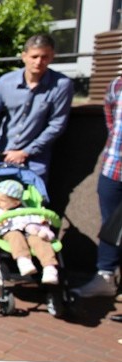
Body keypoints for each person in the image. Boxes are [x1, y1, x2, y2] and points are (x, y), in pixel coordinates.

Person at [0, 34, 74, 183]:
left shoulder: (61, 85)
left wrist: (26, 152)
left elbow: (56, 125)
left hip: (35, 162)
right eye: (34, 57)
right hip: (2, 156)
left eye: (44, 57)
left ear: (52, 56)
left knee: (31, 205)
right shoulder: (6, 82)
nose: (39, 62)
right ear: (24, 56)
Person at [72, 76, 122, 298]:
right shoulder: (116, 84)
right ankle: (105, 278)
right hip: (113, 168)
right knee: (110, 227)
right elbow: (110, 121)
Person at [0, 179, 59, 284]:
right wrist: (0, 223)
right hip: (10, 231)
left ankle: (49, 268)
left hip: (30, 232)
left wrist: (42, 221)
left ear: (16, 202)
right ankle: (24, 261)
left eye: (2, 200)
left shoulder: (27, 209)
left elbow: (36, 220)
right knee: (15, 236)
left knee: (40, 240)